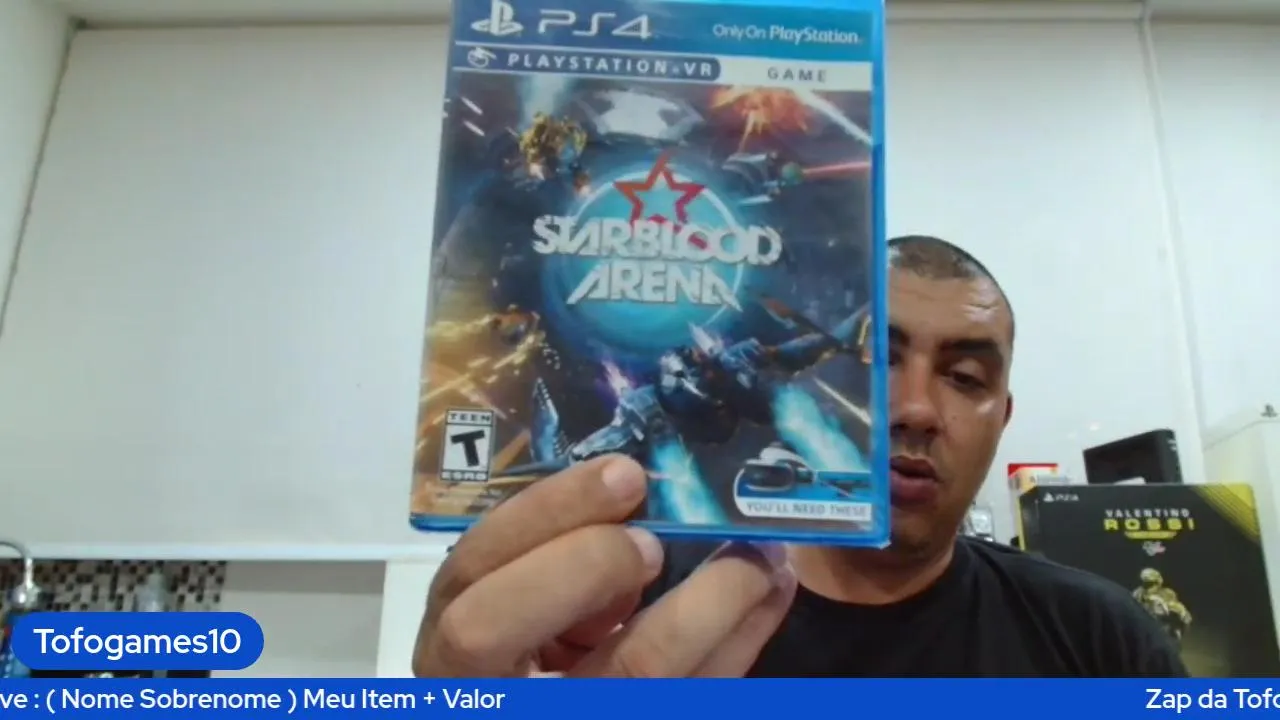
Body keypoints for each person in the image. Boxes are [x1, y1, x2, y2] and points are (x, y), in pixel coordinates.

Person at [412, 235, 1188, 678]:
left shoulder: (1099, 641)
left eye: (964, 377)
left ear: (1002, 418)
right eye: (879, 360)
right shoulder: (619, 609)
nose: (916, 408)